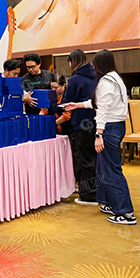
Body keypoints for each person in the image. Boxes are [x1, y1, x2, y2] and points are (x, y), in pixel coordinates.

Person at [64, 50, 135, 224]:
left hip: (109, 128)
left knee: (111, 170)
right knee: (103, 169)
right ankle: (111, 203)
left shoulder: (105, 81)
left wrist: (99, 134)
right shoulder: (115, 77)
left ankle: (126, 212)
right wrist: (78, 105)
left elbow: (102, 109)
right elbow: (99, 103)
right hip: (116, 126)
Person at [61, 49, 98, 205]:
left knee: (83, 159)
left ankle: (88, 195)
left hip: (81, 122)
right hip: (95, 121)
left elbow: (67, 101)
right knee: (94, 157)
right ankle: (95, 191)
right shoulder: (96, 75)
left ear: (72, 62)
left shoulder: (75, 79)